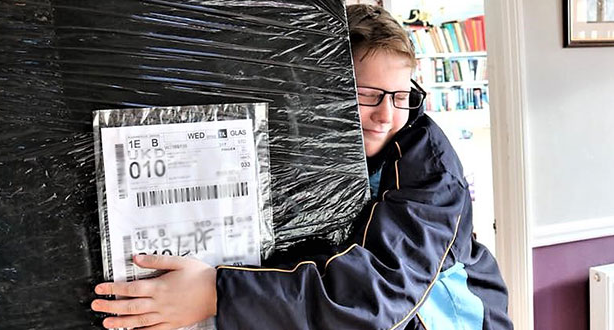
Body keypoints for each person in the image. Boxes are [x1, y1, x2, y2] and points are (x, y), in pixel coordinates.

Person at [91, 5, 513, 330]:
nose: (387, 115)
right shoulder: (306, 142)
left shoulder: (431, 170)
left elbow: (380, 294)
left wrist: (218, 293)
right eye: (369, 94)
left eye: (400, 96)